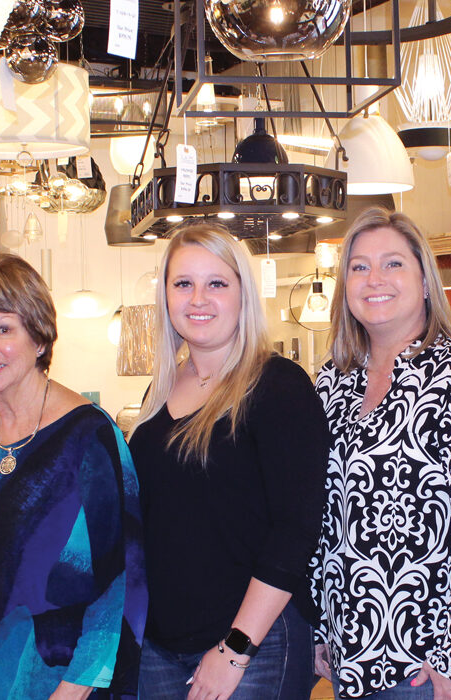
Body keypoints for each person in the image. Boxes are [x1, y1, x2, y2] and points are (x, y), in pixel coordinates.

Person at [311, 208, 451, 700]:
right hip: (351, 649)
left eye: (393, 264)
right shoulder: (332, 381)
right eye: (358, 267)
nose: (374, 279)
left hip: (427, 661)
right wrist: (318, 625)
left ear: (425, 281)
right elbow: (321, 516)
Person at [127, 223, 329, 700]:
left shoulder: (278, 386)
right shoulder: (158, 394)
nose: (199, 298)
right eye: (183, 284)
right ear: (166, 296)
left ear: (243, 294)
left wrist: (234, 648)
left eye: (216, 283)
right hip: (159, 646)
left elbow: (296, 530)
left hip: (251, 646)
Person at [0, 251, 146, 699]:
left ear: (40, 339)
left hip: (63, 680)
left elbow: (124, 579)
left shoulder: (90, 436)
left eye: (3, 329)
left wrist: (74, 688)